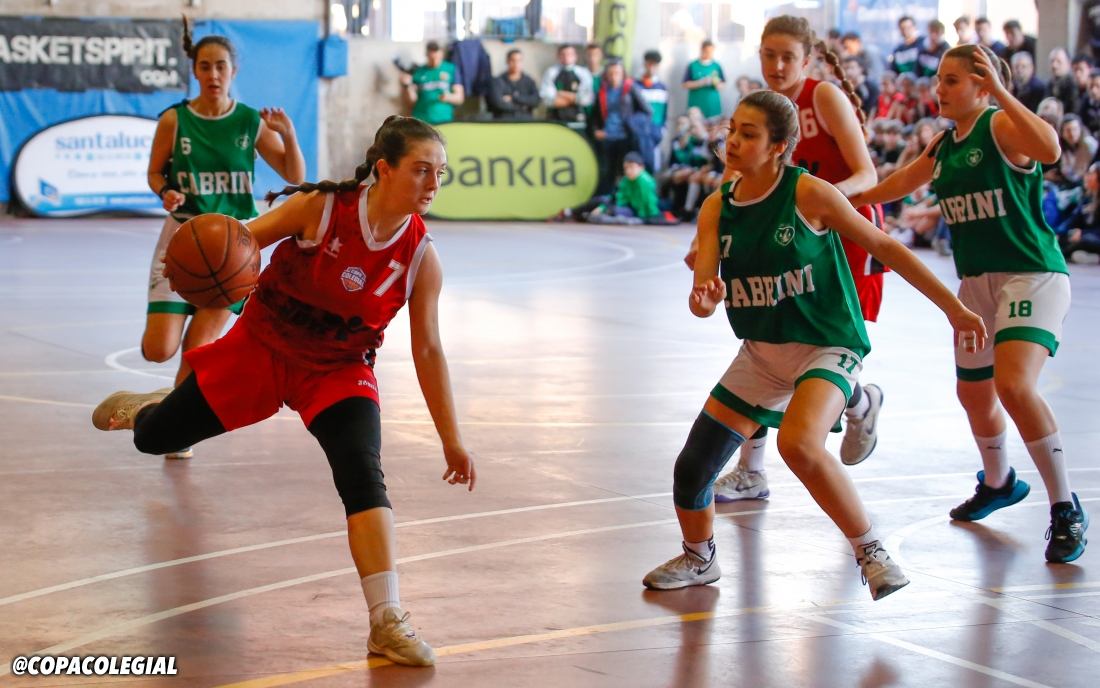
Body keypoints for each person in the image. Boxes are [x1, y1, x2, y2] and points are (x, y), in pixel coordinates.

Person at [93, 116, 476, 666]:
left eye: (440, 173)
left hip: (337, 370)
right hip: (261, 349)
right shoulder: (320, 209)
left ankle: (386, 619)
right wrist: (204, 264)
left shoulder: (420, 257)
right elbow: (240, 242)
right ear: (385, 169)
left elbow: (429, 351)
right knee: (155, 440)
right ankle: (148, 409)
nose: (433, 183)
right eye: (422, 170)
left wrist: (451, 438)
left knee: (361, 471)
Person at [641, 89, 985, 600]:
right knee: (692, 468)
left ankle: (871, 551)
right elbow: (702, 299)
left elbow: (885, 245)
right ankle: (700, 558)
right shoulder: (717, 207)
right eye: (732, 130)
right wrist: (705, 298)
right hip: (762, 352)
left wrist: (953, 308)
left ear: (778, 146)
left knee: (798, 443)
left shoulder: (810, 193)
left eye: (749, 134)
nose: (733, 141)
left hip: (827, 344)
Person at [850, 45, 1088, 564]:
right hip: (977, 284)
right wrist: (846, 202)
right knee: (974, 395)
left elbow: (1050, 149)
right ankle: (999, 482)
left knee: (1014, 385)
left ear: (982, 86)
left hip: (1030, 275)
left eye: (952, 79)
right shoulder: (944, 144)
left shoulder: (999, 125)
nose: (939, 88)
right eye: (939, 78)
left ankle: (1066, 506)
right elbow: (900, 183)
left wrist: (1001, 92)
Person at [144, 20, 305, 460]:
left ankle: (173, 430)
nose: (213, 74)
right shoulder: (175, 119)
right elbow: (155, 172)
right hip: (182, 236)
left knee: (198, 349)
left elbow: (294, 176)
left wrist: (288, 134)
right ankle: (166, 397)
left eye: (221, 66)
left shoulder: (250, 121)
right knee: (158, 350)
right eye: (205, 66)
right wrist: (165, 191)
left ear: (234, 71)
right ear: (194, 70)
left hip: (234, 245)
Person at [588, 58, 653, 196]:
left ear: (622, 73)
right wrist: (596, 130)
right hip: (608, 136)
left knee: (624, 171)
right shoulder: (603, 90)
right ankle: (605, 200)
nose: (614, 77)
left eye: (617, 73)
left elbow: (647, 111)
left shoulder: (630, 88)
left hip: (626, 138)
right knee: (606, 172)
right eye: (610, 73)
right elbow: (594, 115)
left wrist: (632, 124)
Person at [402, 42, 464, 125]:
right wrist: (406, 86)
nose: (435, 61)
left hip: (444, 120)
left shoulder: (451, 69)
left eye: (437, 57)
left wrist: (448, 97)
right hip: (421, 119)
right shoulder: (419, 72)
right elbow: (411, 101)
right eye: (432, 58)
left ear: (441, 54)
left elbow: (459, 98)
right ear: (427, 55)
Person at [541, 44, 594, 125]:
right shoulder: (551, 72)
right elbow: (548, 100)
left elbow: (586, 99)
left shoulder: (583, 73)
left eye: (570, 54)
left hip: (577, 119)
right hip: (555, 120)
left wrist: (560, 93)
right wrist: (575, 98)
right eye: (563, 54)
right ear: (558, 56)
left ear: (575, 56)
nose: (566, 57)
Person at [487, 49, 540, 120]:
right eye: (513, 60)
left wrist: (513, 98)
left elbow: (535, 101)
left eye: (519, 60)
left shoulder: (529, 82)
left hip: (525, 121)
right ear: (507, 61)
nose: (516, 64)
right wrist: (523, 107)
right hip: (504, 121)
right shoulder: (498, 81)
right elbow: (497, 103)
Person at [639, 50, 669, 171]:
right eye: (649, 64)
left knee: (653, 164)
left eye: (655, 65)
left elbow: (664, 111)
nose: (651, 68)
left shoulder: (662, 88)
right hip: (640, 131)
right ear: (645, 64)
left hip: (655, 131)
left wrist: (662, 128)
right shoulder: (636, 85)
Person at [683, 40, 726, 119]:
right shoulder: (693, 65)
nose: (708, 54)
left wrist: (716, 84)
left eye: (711, 51)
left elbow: (723, 84)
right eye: (706, 51)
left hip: (713, 107)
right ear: (701, 50)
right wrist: (702, 82)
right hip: (696, 107)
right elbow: (685, 84)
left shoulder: (716, 66)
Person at [1059, 114, 1097, 184]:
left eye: (1075, 129)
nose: (1072, 134)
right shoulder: (1063, 146)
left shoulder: (1089, 144)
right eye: (1068, 130)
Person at [843, 55, 879, 121]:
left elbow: (873, 109)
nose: (848, 72)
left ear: (860, 69)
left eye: (852, 68)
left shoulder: (871, 87)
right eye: (846, 68)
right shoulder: (843, 87)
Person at [1047, 48, 1079, 116]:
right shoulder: (1049, 84)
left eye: (1059, 62)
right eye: (1052, 61)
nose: (1054, 65)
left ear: (1069, 64)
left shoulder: (1073, 84)